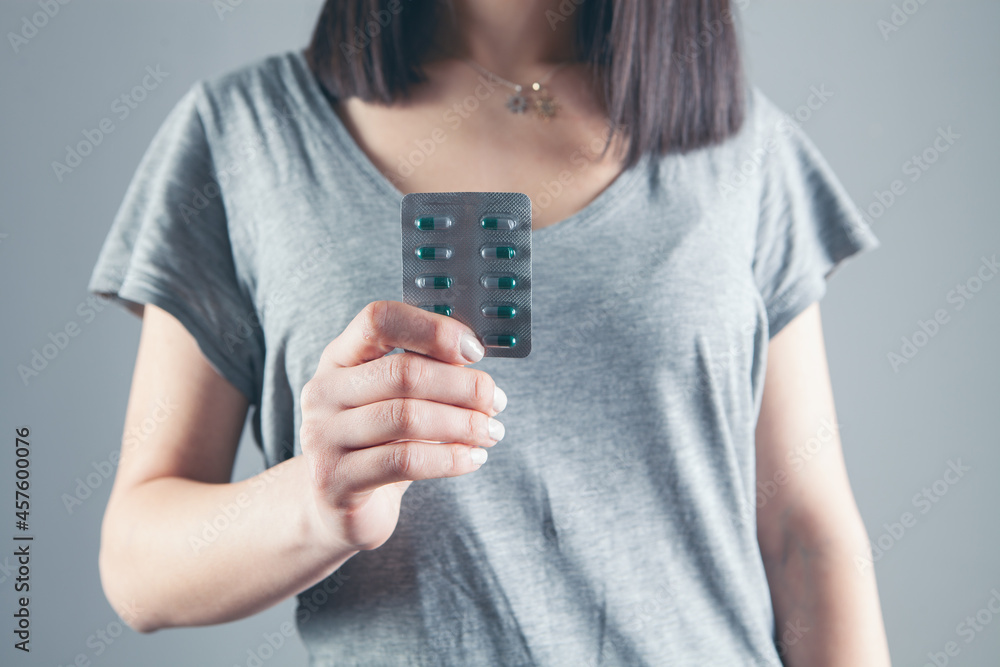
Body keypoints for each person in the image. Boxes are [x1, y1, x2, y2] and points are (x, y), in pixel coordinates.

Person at [88, 0, 893, 664]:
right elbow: (136, 564)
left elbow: (806, 537)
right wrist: (313, 503)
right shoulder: (243, 138)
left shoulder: (745, 147)